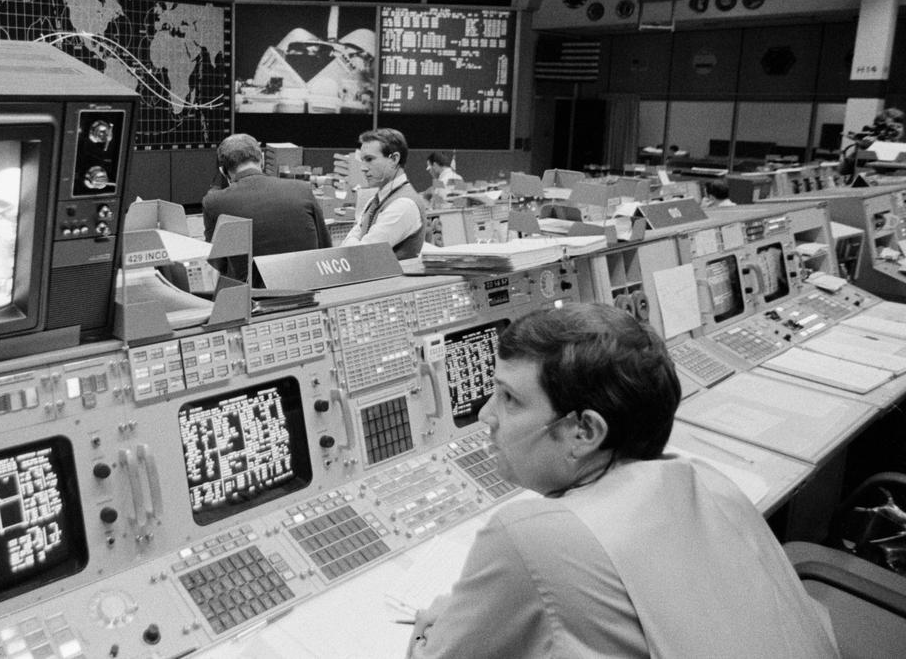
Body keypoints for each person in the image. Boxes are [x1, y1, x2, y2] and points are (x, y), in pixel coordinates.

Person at [408, 303, 838, 659]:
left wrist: (433, 630)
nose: (487, 415)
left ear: (584, 432)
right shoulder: (708, 479)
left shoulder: (526, 536)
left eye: (509, 399)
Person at [202, 133, 331, 281]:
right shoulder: (302, 189)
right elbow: (325, 248)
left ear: (223, 171)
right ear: (262, 159)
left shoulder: (213, 202)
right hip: (309, 291)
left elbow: (218, 262)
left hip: (254, 298)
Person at [340, 128, 429, 259]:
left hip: (393, 279)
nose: (363, 168)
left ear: (394, 159)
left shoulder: (404, 205)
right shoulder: (374, 200)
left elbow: (359, 255)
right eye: (362, 160)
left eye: (369, 159)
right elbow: (348, 250)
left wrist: (352, 241)